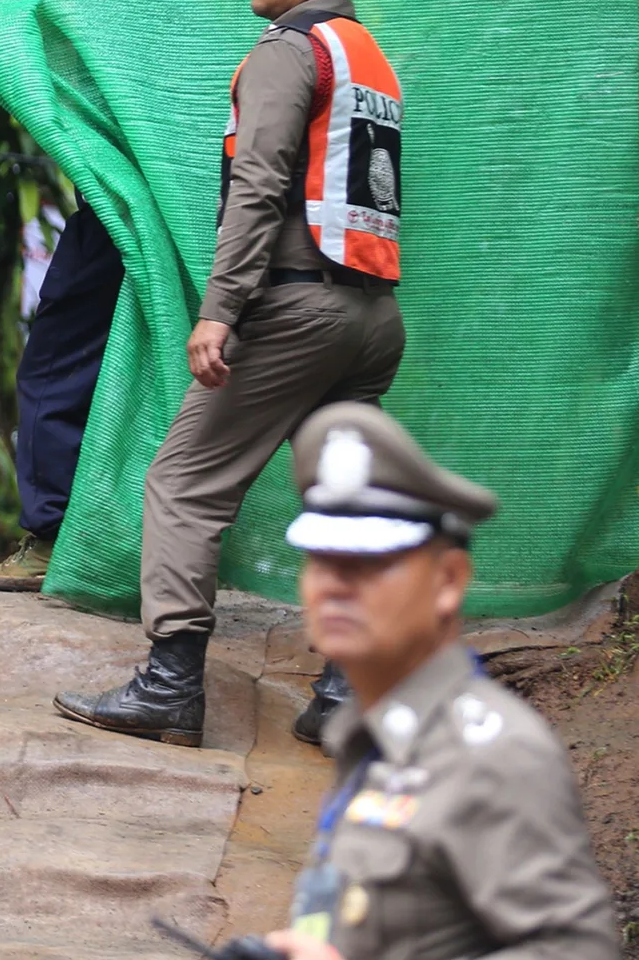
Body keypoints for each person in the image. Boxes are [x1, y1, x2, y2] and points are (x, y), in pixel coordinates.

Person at [56, 0, 405, 747]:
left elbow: (259, 187)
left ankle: (171, 684)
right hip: (371, 316)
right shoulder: (369, 58)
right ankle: (345, 687)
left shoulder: (291, 51)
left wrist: (221, 311)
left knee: (184, 483)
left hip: (296, 307)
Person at [256, 402, 619, 960]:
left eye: (370, 563)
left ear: (448, 581)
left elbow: (576, 949)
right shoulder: (374, 730)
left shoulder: (494, 755)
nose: (334, 586)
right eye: (322, 561)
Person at [0, 199, 123, 591]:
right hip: (162, 223)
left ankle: (53, 541)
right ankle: (93, 541)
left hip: (111, 216)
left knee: (52, 375)